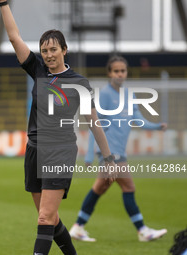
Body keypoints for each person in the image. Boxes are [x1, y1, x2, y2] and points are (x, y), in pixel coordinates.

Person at [0, 1, 116, 254]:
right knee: (50, 218)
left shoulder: (79, 82)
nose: (48, 54)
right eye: (44, 50)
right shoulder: (38, 70)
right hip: (34, 151)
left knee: (43, 219)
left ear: (64, 49)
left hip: (60, 151)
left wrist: (108, 158)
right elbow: (13, 37)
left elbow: (92, 121)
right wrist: (3, 3)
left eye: (53, 49)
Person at [69, 56, 168, 242]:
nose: (120, 74)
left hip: (119, 150)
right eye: (116, 71)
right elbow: (95, 124)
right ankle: (143, 231)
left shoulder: (130, 95)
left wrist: (156, 126)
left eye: (123, 71)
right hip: (110, 152)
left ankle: (78, 226)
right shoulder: (105, 95)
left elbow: (138, 119)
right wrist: (90, 153)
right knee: (128, 186)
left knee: (99, 189)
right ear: (109, 73)